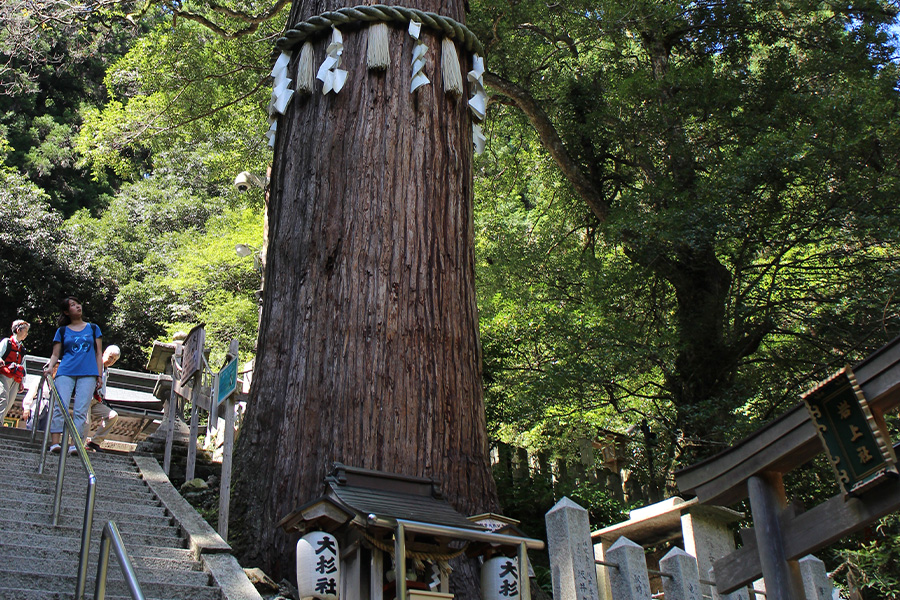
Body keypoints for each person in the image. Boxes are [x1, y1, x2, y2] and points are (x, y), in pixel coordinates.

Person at [44, 297, 102, 456]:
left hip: (89, 372)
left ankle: (75, 443)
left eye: (78, 304)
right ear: (66, 311)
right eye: (72, 305)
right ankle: (55, 442)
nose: (77, 307)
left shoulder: (93, 328)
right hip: (66, 370)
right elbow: (55, 354)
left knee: (81, 410)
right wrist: (50, 367)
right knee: (59, 406)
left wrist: (99, 375)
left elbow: (98, 354)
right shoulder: (62, 331)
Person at [83, 345, 120, 451]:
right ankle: (78, 445)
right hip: (86, 397)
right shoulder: (93, 363)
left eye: (114, 359)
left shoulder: (106, 370)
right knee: (86, 423)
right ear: (104, 353)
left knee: (112, 416)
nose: (111, 360)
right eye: (111, 357)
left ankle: (95, 442)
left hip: (97, 400)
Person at [0, 319, 30, 422]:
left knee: (9, 402)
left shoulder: (22, 348)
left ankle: (1, 421)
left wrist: (22, 381)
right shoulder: (6, 342)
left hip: (16, 378)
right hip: (4, 375)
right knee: (2, 398)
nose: (26, 334)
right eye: (25, 331)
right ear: (18, 330)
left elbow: (23, 365)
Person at [22, 367, 51, 432]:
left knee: (44, 431)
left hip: (49, 408)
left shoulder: (58, 382)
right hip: (36, 406)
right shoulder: (39, 379)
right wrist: (26, 407)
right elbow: (31, 392)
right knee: (31, 428)